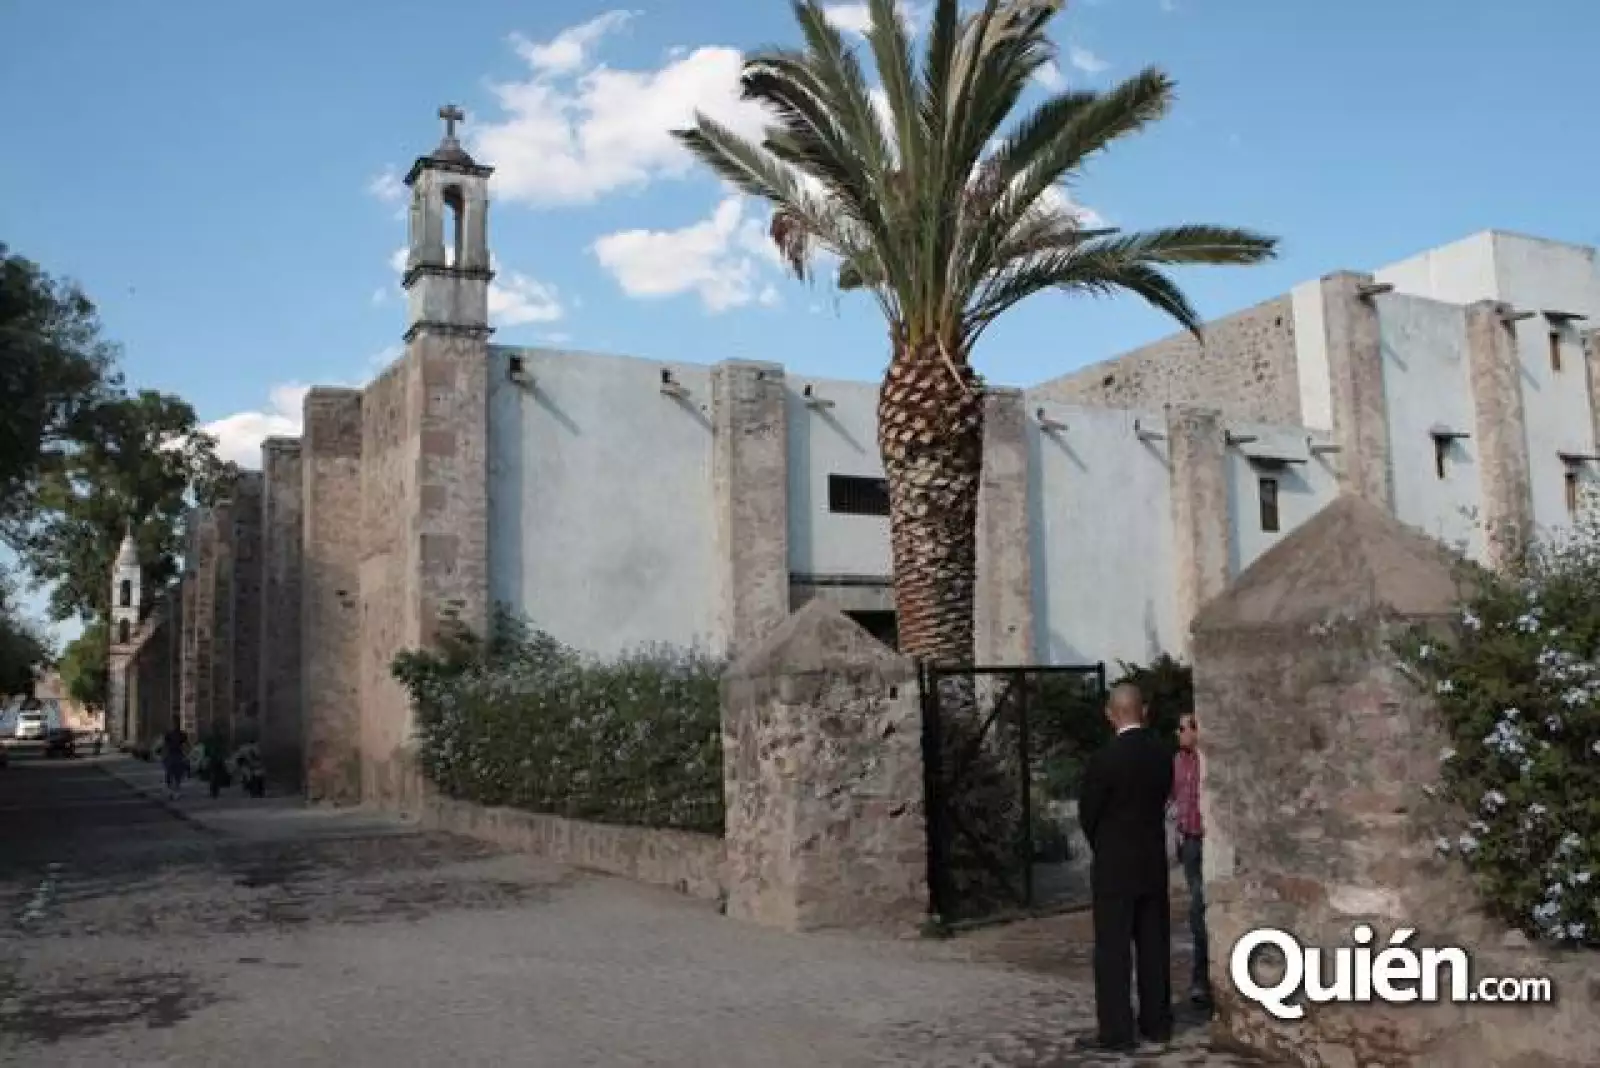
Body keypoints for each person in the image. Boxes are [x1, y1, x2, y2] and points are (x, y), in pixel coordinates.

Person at [1075, 683, 1175, 1054]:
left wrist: (1104, 844)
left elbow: (1089, 813)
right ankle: (1157, 1024)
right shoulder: (1161, 754)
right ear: (1143, 711)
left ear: (1110, 714)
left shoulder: (1105, 759)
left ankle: (1117, 1031)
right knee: (1153, 945)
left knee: (1113, 950)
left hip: (1115, 865)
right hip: (1151, 861)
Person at [1171, 712, 1211, 1007]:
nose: (1179, 732)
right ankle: (1201, 978)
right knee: (1196, 909)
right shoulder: (1178, 762)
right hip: (1189, 843)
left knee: (1200, 909)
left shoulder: (1205, 763)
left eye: (1184, 728)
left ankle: (1203, 979)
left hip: (1207, 840)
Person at [160, 720, 189, 800]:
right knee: (174, 774)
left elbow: (165, 745)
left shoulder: (176, 734)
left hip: (174, 755)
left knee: (173, 773)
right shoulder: (178, 734)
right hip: (175, 755)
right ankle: (174, 791)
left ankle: (173, 791)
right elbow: (187, 745)